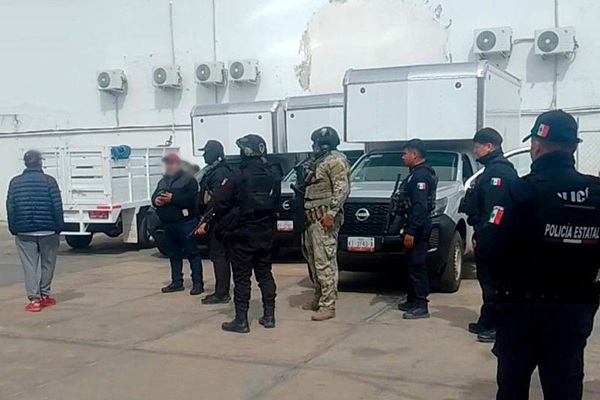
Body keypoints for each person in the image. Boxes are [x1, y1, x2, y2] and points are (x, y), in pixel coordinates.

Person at [478, 110, 600, 400]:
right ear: (573, 147)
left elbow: (489, 246)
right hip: (573, 311)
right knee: (565, 389)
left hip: (521, 311)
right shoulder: (596, 193)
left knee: (513, 389)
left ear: (536, 145)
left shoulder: (520, 190)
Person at [459, 128, 518, 343]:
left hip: (496, 239)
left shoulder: (498, 173)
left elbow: (496, 211)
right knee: (488, 283)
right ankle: (487, 320)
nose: (475, 151)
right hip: (490, 236)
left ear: (489, 147)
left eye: (477, 146)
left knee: (496, 285)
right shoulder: (492, 170)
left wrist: (484, 235)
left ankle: (496, 326)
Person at [221, 134, 280, 333]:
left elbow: (221, 201)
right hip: (265, 232)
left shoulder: (238, 174)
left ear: (246, 152)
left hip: (242, 233)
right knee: (264, 274)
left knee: (242, 278)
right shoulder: (272, 173)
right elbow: (276, 201)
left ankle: (241, 321)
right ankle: (269, 316)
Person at [301, 127, 351, 322]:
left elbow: (342, 189)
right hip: (312, 217)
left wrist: (331, 213)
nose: (314, 147)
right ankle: (319, 297)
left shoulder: (335, 160)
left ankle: (328, 305)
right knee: (313, 260)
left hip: (325, 218)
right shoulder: (319, 161)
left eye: (317, 143)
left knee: (325, 262)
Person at [6, 150, 64, 312]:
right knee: (48, 264)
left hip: (24, 231)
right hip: (48, 230)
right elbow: (57, 206)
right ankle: (45, 295)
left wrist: (13, 228)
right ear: (40, 162)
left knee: (29, 266)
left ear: (25, 163)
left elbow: (11, 207)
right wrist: (59, 227)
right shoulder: (49, 181)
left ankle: (34, 300)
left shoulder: (15, 182)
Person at [396, 139, 437, 320]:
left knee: (417, 265)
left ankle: (421, 304)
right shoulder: (414, 174)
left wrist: (412, 231)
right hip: (412, 223)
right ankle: (412, 299)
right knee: (410, 265)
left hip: (418, 227)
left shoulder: (421, 176)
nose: (403, 157)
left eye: (405, 153)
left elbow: (420, 206)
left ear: (415, 154)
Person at [152, 153, 203, 295]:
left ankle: (197, 283)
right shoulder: (163, 181)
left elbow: (192, 200)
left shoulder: (189, 181)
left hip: (185, 223)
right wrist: (156, 201)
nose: (169, 167)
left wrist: (173, 198)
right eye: (167, 164)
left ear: (178, 165)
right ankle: (176, 282)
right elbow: (154, 196)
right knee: (174, 254)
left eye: (172, 164)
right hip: (168, 224)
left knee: (192, 253)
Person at [196, 140, 235, 305]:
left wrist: (205, 220)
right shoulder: (213, 171)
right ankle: (221, 290)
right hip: (217, 219)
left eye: (206, 152)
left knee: (219, 257)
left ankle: (222, 293)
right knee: (219, 257)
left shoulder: (220, 172)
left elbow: (218, 200)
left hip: (219, 221)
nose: (204, 155)